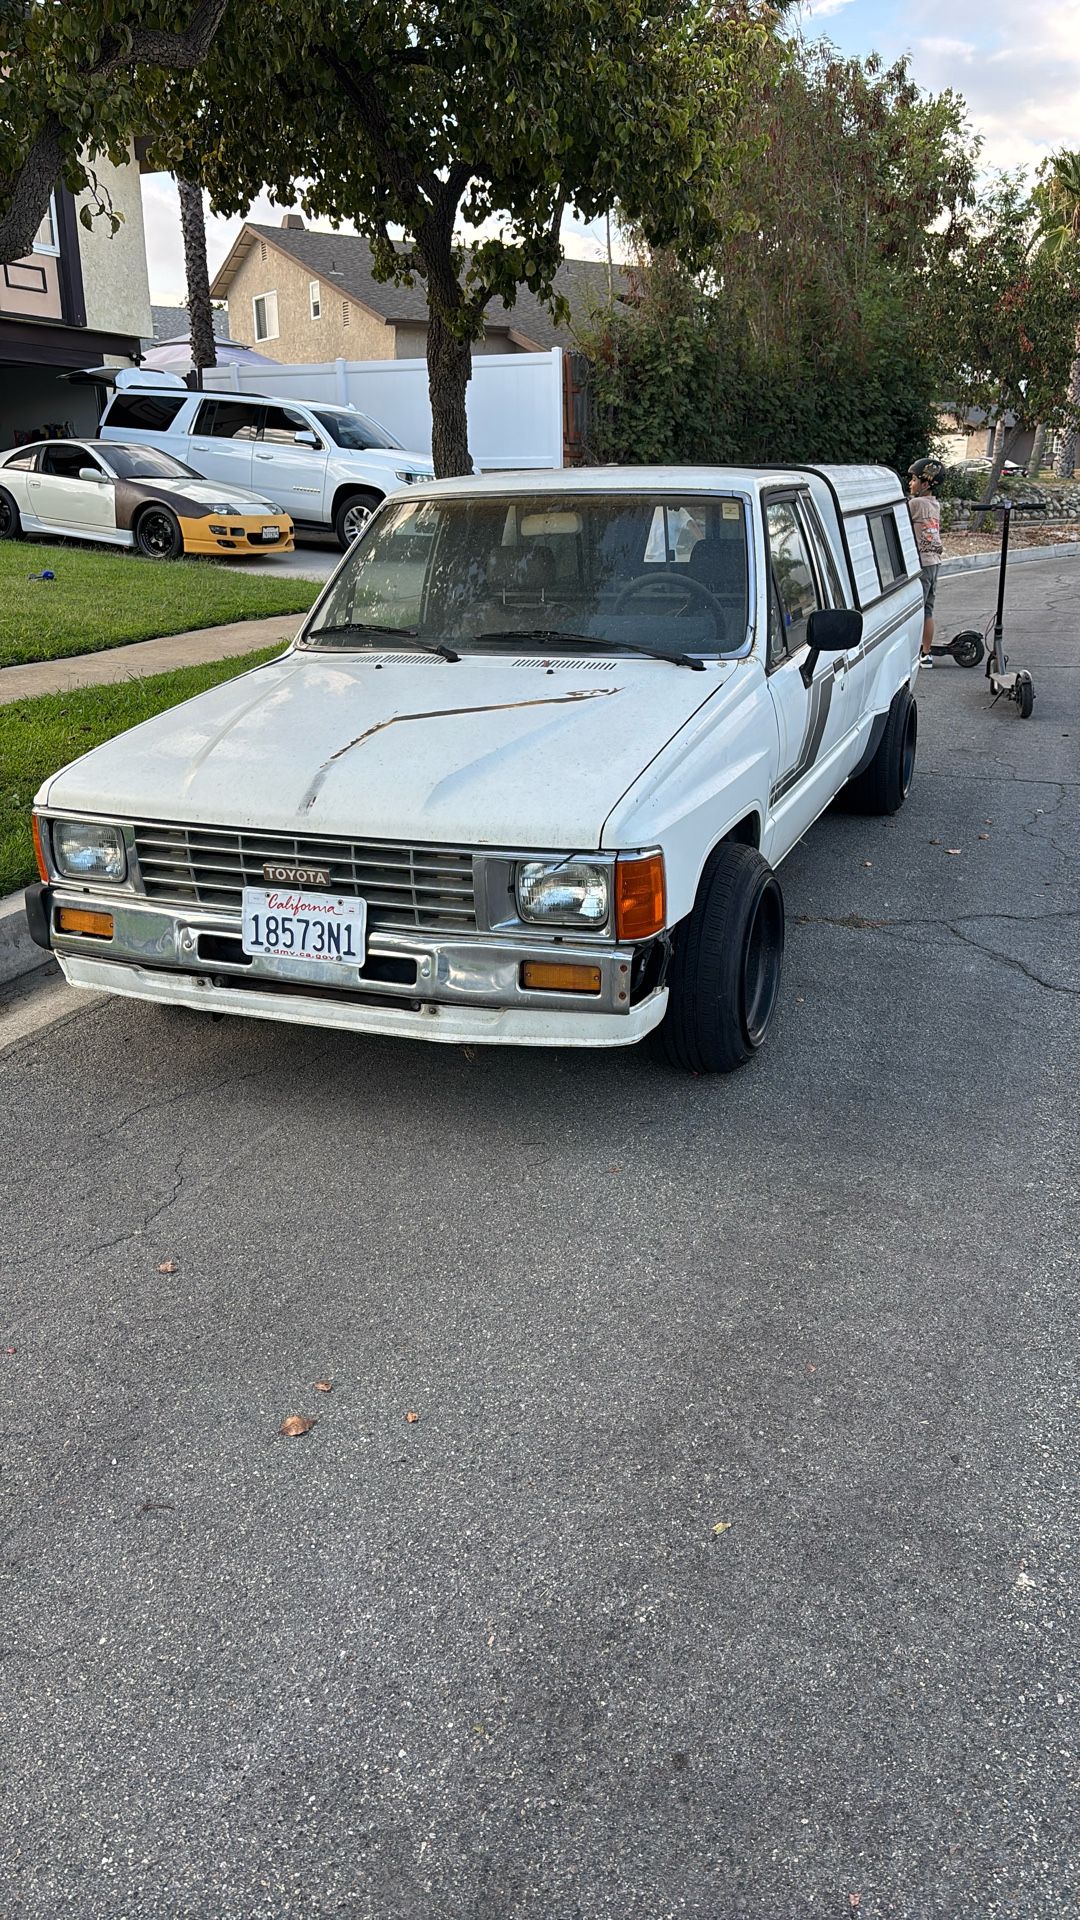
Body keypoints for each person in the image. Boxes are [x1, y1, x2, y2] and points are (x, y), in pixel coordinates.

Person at [907, 457, 944, 667]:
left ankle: (913, 651)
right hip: (934, 561)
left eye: (913, 480)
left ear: (925, 484)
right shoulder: (934, 504)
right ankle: (926, 653)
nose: (910, 483)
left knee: (915, 609)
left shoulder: (915, 504)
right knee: (927, 609)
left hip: (921, 562)